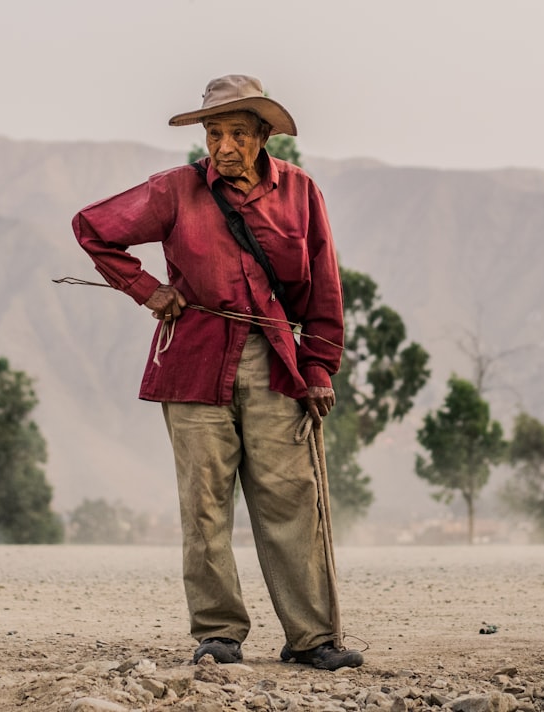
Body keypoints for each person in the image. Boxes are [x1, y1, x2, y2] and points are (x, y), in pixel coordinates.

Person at [72, 74, 362, 670]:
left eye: (235, 133)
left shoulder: (301, 193)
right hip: (194, 363)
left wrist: (320, 366)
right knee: (204, 504)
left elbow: (325, 289)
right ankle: (219, 633)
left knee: (291, 496)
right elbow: (93, 228)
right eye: (212, 132)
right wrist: (146, 289)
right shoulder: (175, 190)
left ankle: (312, 638)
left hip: (278, 363)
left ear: (262, 137)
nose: (222, 146)